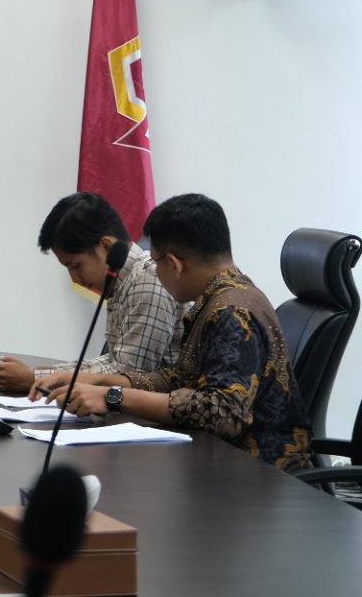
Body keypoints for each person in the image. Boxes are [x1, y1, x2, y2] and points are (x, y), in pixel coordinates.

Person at [39, 194, 313, 472]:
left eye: (156, 263)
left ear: (174, 264)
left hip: (258, 474)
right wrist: (102, 381)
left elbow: (221, 413)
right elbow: (180, 378)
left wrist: (114, 396)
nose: (155, 272)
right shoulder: (221, 297)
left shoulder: (231, 312)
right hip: (221, 462)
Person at [0, 192, 185, 394]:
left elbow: (127, 376)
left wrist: (36, 378)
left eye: (75, 265)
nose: (75, 279)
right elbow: (114, 361)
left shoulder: (147, 281)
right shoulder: (125, 280)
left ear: (106, 246)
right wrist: (40, 375)